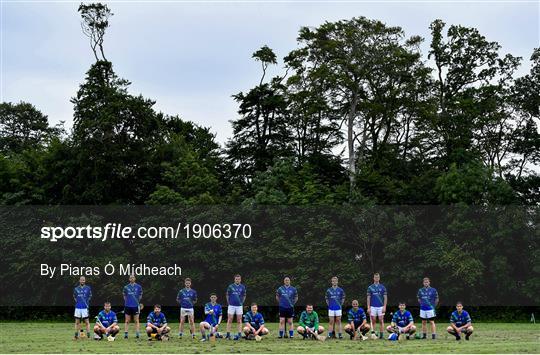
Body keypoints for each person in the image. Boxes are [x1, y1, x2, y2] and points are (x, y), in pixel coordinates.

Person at [225, 274, 246, 340]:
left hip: (239, 306)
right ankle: (228, 334)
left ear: (240, 279)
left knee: (239, 320)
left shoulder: (242, 287)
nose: (237, 280)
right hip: (231, 305)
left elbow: (244, 295)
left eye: (239, 279)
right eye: (236, 279)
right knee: (230, 319)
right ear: (234, 279)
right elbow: (227, 295)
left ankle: (239, 334)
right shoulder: (230, 286)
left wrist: (242, 303)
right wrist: (228, 302)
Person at [367, 272, 387, 339]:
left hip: (381, 306)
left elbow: (385, 298)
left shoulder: (383, 287)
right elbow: (368, 298)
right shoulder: (370, 287)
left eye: (378, 277)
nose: (376, 278)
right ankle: (374, 334)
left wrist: (384, 306)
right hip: (373, 306)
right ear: (373, 278)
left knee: (381, 320)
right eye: (375, 277)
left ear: (379, 278)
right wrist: (368, 307)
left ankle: (381, 335)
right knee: (373, 320)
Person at [123, 274, 143, 339]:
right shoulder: (126, 287)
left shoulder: (138, 286)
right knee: (127, 320)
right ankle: (126, 334)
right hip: (128, 305)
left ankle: (137, 334)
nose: (132, 279)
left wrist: (137, 302)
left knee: (136, 320)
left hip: (136, 306)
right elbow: (124, 295)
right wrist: (128, 301)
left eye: (133, 277)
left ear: (135, 279)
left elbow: (140, 295)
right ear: (129, 279)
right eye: (130, 278)